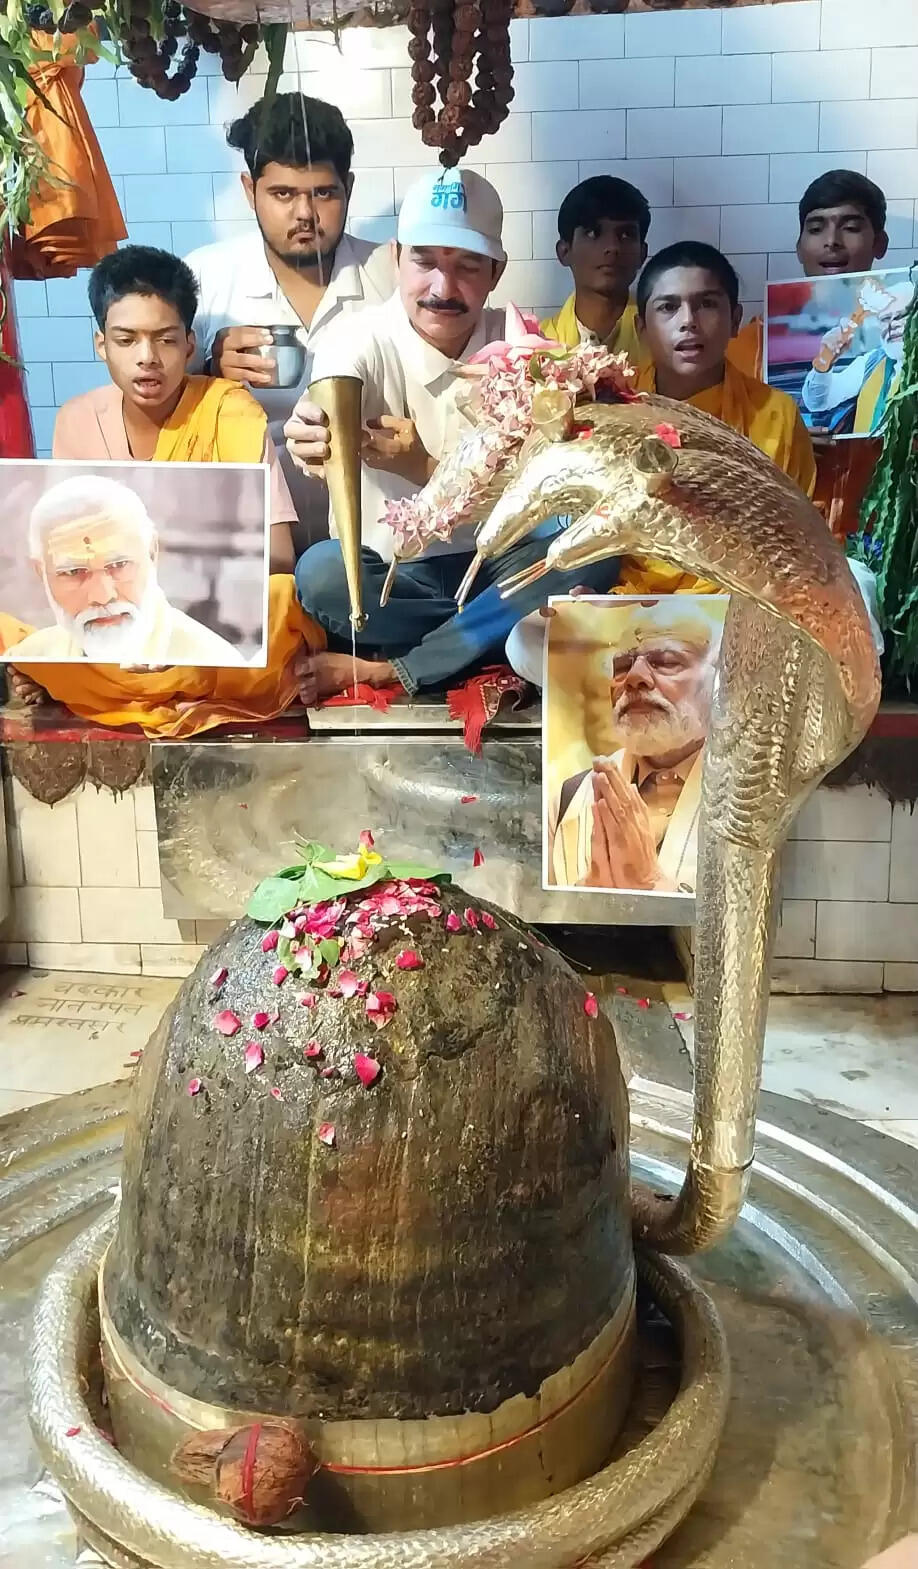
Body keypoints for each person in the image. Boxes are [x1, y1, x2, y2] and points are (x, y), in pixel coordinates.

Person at [284, 167, 614, 702]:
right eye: (425, 261)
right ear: (395, 258)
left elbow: (549, 501)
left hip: (498, 571)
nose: (443, 288)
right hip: (397, 583)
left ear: (496, 272)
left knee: (594, 553)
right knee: (321, 574)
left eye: (467, 266)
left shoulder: (527, 352)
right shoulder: (357, 338)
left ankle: (397, 667)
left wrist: (422, 467)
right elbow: (329, 395)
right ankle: (477, 640)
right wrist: (314, 436)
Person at [7, 246, 324, 734]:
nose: (147, 358)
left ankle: (114, 682)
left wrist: (170, 630)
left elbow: (278, 556)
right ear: (100, 344)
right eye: (126, 339)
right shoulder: (77, 419)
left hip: (206, 629)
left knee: (281, 599)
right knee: (15, 630)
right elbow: (70, 559)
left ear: (190, 346)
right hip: (113, 622)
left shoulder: (229, 410)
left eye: (165, 340)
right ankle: (113, 678)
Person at [185, 93, 396, 551]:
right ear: (249, 191)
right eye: (283, 194)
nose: (305, 214)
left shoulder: (393, 276)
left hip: (377, 549)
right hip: (248, 548)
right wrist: (205, 375)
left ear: (348, 188)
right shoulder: (204, 281)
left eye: (323, 193)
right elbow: (152, 411)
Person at [548, 600, 720, 893]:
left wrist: (651, 884)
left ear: (717, 682)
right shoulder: (569, 797)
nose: (634, 678)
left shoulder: (750, 795)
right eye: (622, 667)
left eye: (666, 661)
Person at [9, 475, 245, 665]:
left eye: (119, 565)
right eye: (74, 572)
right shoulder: (27, 662)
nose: (102, 596)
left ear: (152, 553)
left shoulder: (216, 668)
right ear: (41, 572)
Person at [730, 169, 890, 380]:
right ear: (799, 248)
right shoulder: (752, 342)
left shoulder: (903, 329)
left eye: (850, 228)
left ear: (879, 243)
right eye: (816, 229)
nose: (831, 241)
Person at [539, 175, 650, 364]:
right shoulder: (538, 346)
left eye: (626, 235)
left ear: (642, 253)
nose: (612, 247)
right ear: (564, 251)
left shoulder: (662, 342)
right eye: (593, 233)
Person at [802, 278, 913, 436]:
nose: (892, 324)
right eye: (885, 319)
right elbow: (817, 403)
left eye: (902, 316)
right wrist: (824, 360)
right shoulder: (872, 362)